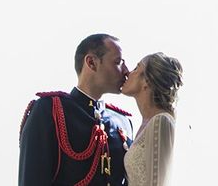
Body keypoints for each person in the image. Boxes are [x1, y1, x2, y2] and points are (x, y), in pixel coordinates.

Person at [19, 33, 134, 186]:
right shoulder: (50, 110)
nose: (126, 71)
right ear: (91, 62)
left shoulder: (123, 122)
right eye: (118, 62)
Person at [120, 53, 183, 186]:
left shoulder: (160, 121)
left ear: (147, 81)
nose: (128, 73)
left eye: (136, 68)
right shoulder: (146, 124)